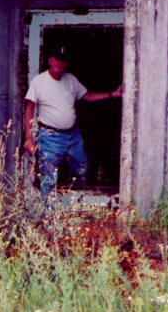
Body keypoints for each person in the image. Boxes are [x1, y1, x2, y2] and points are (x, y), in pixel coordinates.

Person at [24, 46, 123, 202]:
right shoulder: (39, 81)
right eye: (57, 59)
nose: (59, 63)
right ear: (50, 60)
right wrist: (28, 138)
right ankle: (47, 217)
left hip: (72, 135)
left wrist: (113, 94)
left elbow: (88, 96)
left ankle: (77, 206)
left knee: (81, 169)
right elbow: (29, 109)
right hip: (50, 136)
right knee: (48, 177)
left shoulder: (71, 79)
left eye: (63, 60)